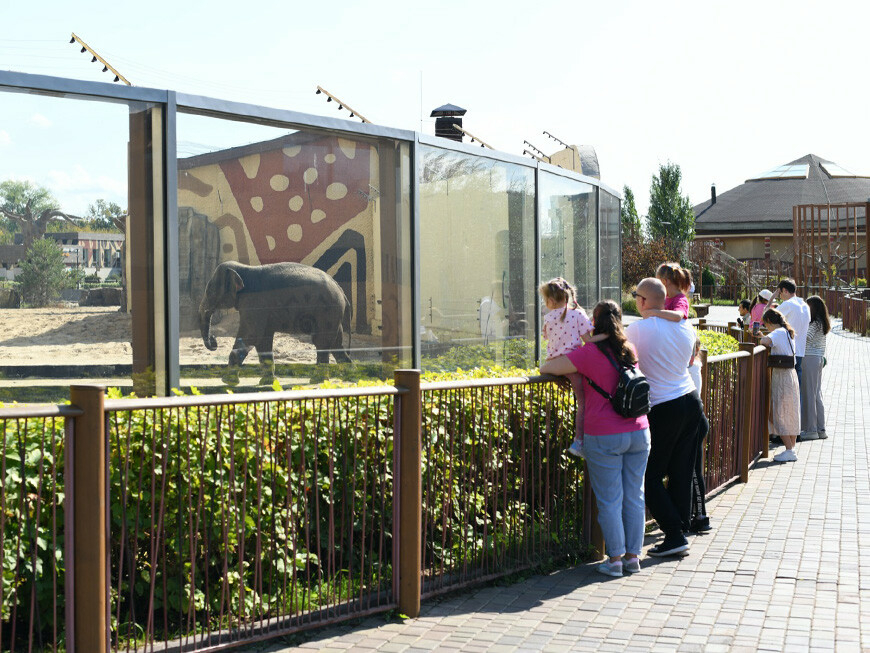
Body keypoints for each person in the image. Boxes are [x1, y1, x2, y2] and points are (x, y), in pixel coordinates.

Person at [541, 300, 650, 577]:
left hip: (604, 435)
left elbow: (548, 367)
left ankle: (614, 560)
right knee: (635, 496)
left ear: (594, 322)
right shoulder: (629, 349)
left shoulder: (588, 354)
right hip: (638, 430)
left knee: (610, 500)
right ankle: (633, 558)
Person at [627, 278, 703, 557]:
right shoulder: (685, 326)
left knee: (650, 475)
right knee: (681, 471)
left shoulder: (637, 329)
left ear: (643, 301)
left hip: (663, 406)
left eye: (636, 296)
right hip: (691, 400)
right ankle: (678, 534)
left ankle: (673, 532)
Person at [539, 278, 605, 457]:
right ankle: (579, 441)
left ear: (551, 301)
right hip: (573, 363)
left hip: (554, 364)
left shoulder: (548, 317)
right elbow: (588, 340)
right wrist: (607, 335)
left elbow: (549, 339)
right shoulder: (577, 314)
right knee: (583, 402)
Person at [760, 308, 801, 462]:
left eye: (766, 325)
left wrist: (761, 337)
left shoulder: (777, 332)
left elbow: (765, 342)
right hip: (791, 374)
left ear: (770, 322)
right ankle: (792, 448)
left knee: (778, 413)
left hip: (781, 376)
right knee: (790, 411)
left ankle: (789, 450)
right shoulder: (787, 332)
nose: (766, 328)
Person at [687, 336, 711, 533]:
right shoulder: (695, 364)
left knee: (694, 470)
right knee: (691, 468)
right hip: (695, 419)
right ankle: (693, 514)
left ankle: (701, 515)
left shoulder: (691, 367)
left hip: (694, 422)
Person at [800, 295, 830, 441]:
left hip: (810, 358)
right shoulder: (822, 322)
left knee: (809, 393)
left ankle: (810, 429)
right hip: (817, 358)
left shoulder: (814, 324)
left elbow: (806, 337)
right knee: (816, 394)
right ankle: (820, 428)